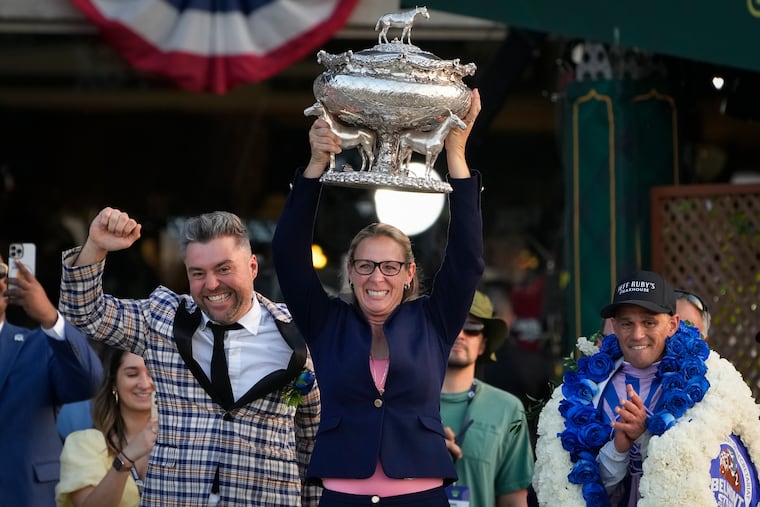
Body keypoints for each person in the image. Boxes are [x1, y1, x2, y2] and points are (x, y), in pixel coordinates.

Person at [271, 89, 483, 506]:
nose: (376, 278)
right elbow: (288, 256)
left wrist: (456, 157)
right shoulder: (326, 321)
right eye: (365, 265)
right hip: (343, 497)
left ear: (408, 275)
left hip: (419, 497)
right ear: (350, 272)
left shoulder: (434, 321)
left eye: (389, 267)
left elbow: (467, 260)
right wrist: (316, 167)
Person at [57, 210, 321, 506]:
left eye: (224, 269)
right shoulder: (162, 320)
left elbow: (313, 440)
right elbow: (83, 314)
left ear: (252, 267)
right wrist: (95, 246)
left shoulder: (300, 333)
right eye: (198, 273)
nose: (211, 284)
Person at [533, 270, 760, 506]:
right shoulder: (589, 391)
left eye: (649, 322)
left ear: (672, 324)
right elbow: (583, 491)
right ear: (614, 326)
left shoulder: (709, 384)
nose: (637, 334)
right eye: (627, 323)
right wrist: (619, 449)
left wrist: (645, 436)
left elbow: (721, 475)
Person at [0, 255, 103, 506]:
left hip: (25, 495)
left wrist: (50, 318)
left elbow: (89, 381)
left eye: (2, 272)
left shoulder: (39, 345)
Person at [441, 290, 534, 507]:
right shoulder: (402, 402)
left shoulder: (508, 408)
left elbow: (514, 499)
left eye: (472, 328)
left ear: (483, 344)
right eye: (452, 323)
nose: (461, 334)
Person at [56, 348, 158, 506]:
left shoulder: (184, 439)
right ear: (114, 383)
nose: (145, 384)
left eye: (152, 373)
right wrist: (127, 457)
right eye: (132, 374)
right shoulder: (84, 443)